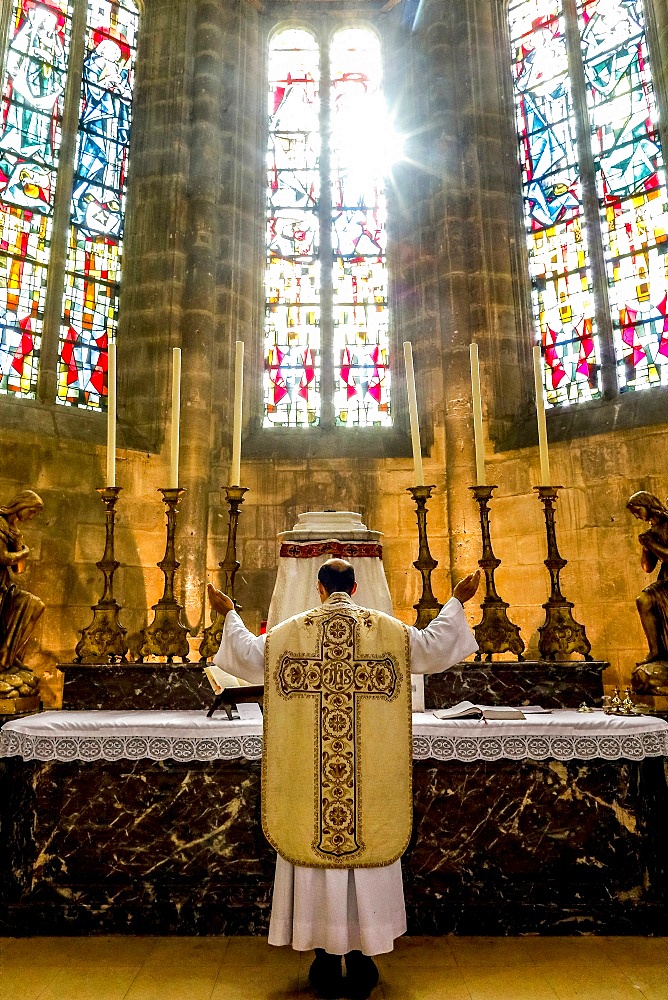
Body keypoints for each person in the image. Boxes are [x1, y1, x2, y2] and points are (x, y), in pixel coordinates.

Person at [208, 557, 479, 999]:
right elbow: (432, 647)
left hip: (313, 780)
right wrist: (456, 600)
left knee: (311, 841)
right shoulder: (387, 631)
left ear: (319, 589)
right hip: (368, 778)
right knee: (368, 840)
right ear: (355, 589)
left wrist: (229, 612)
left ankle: (323, 960)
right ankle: (363, 956)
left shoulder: (292, 631)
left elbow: (248, 658)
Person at [0, 489, 44, 674]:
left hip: (6, 585)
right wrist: (24, 552)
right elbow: (2, 558)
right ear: (21, 506)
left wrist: (18, 543)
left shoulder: (15, 532)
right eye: (31, 511)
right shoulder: (0, 525)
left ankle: (10, 656)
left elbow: (19, 570)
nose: (32, 516)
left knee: (35, 605)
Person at [627, 491, 668, 663]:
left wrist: (651, 543)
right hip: (665, 581)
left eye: (638, 511)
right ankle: (655, 650)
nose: (637, 516)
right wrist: (645, 547)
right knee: (643, 600)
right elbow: (647, 568)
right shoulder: (650, 532)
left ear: (647, 505)